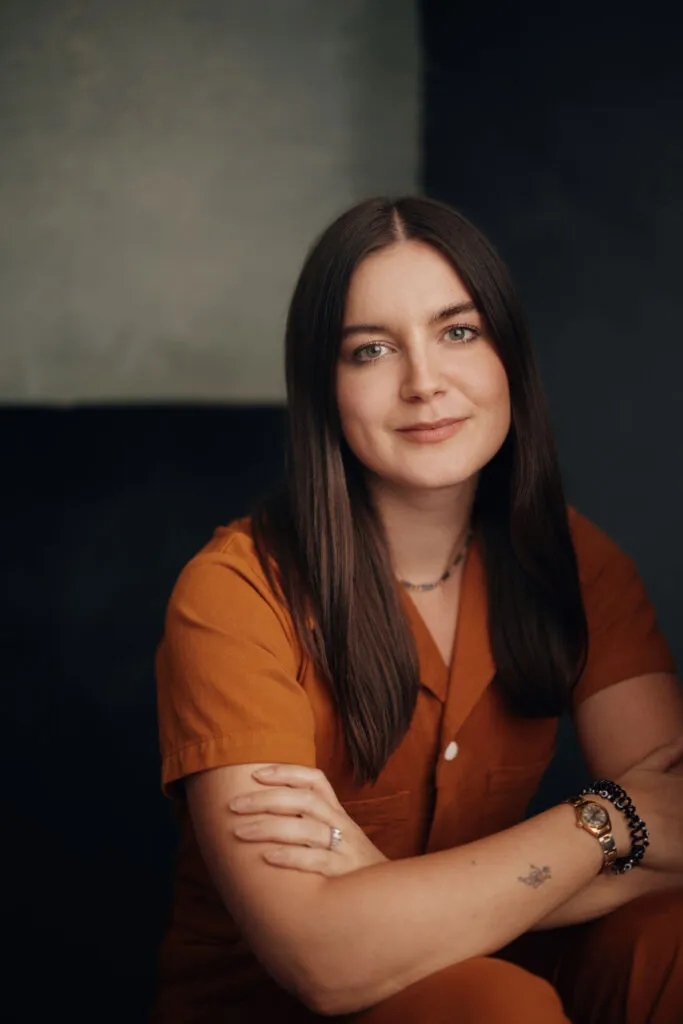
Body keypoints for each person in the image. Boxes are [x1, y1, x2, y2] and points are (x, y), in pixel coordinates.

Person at [152, 196, 683, 1023]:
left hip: (500, 973)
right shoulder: (232, 596)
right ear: (324, 390)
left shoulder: (574, 562)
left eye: (458, 332)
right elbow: (322, 961)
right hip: (276, 1010)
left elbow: (680, 832)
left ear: (509, 354)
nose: (424, 381)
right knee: (494, 1007)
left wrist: (383, 894)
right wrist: (608, 821)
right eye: (370, 350)